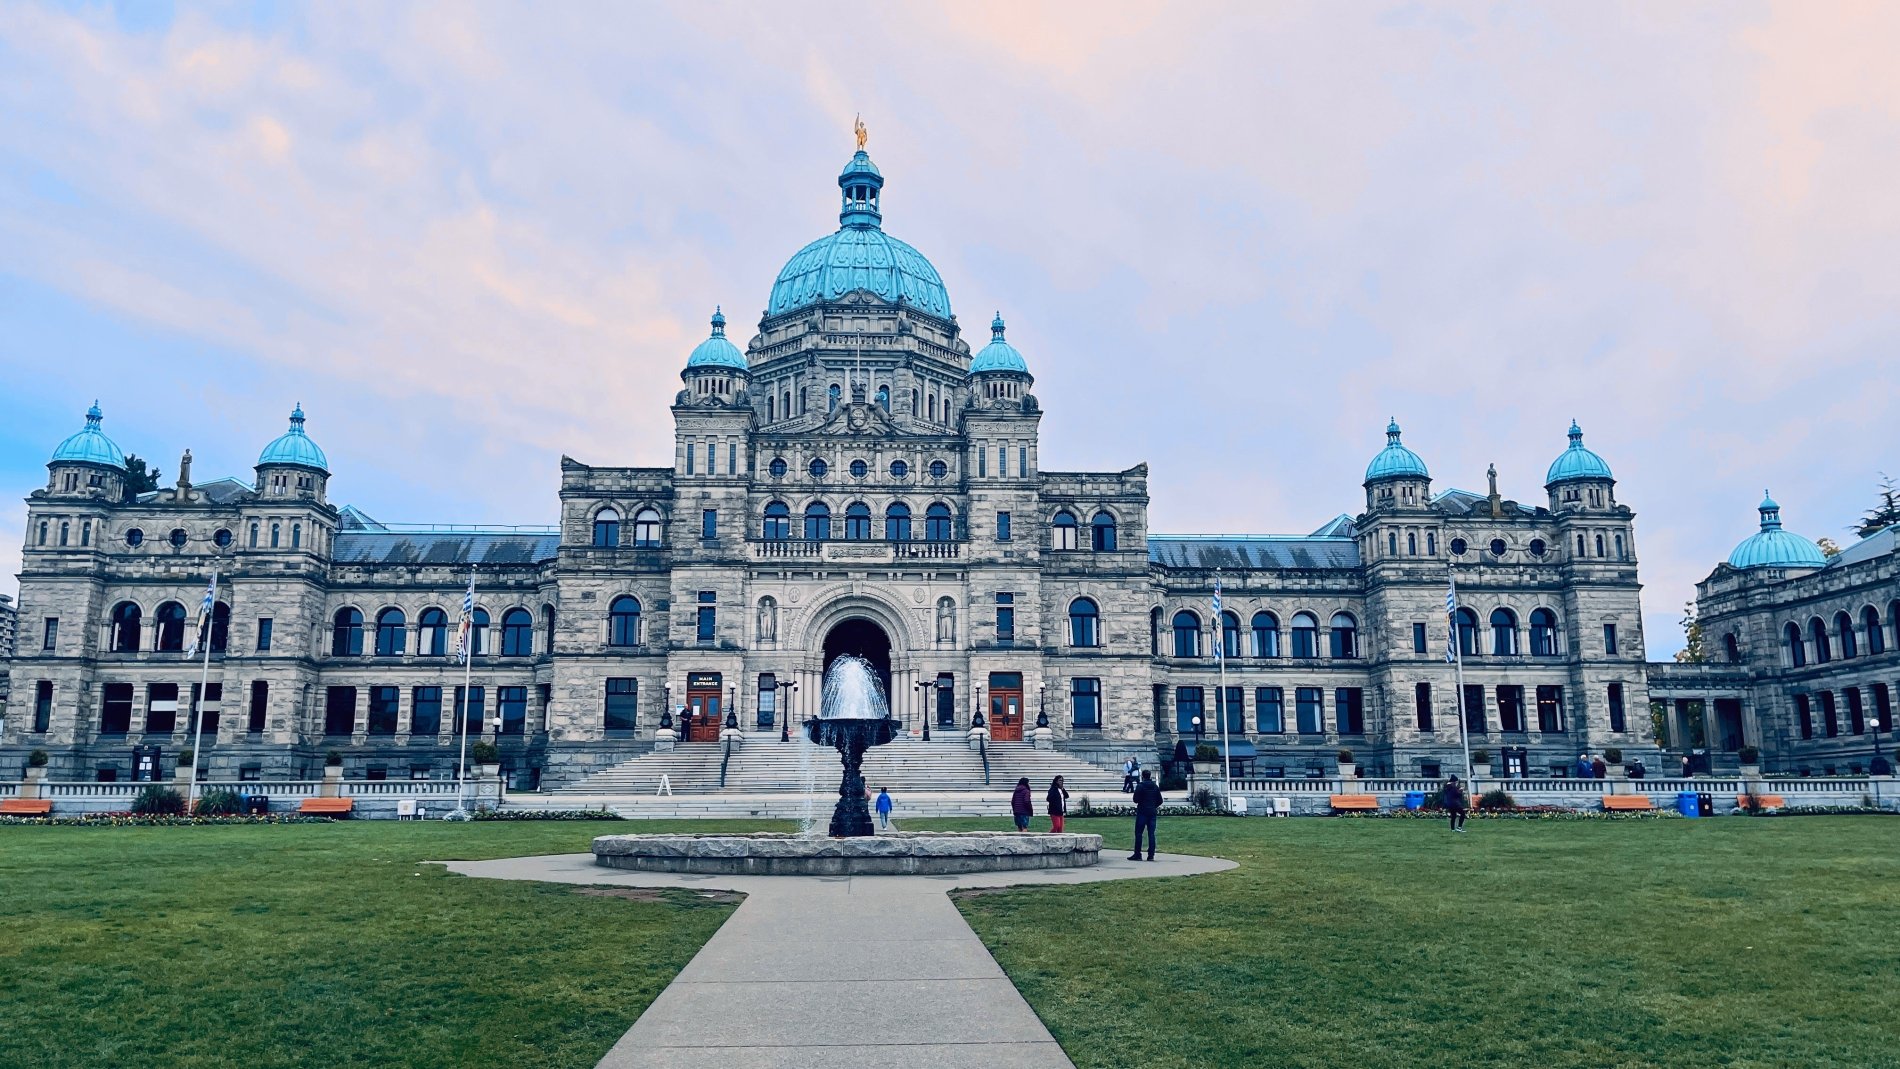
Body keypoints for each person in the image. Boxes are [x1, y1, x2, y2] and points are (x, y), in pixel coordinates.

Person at [1130, 770, 1163, 860]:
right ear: (1150, 776)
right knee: (1151, 833)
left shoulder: (1140, 786)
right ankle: (1151, 855)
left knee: (1138, 833)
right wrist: (1153, 805)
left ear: (1142, 776)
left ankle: (1137, 854)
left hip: (1142, 811)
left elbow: (1135, 799)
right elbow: (1160, 800)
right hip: (1152, 812)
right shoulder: (1155, 786)